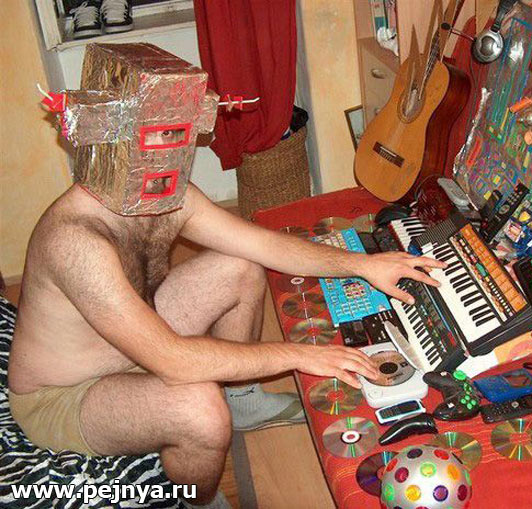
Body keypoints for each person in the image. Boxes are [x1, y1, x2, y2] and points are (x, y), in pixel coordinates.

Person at [9, 43, 445, 509]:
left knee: (240, 265)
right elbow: (174, 361)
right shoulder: (76, 240)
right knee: (200, 410)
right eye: (159, 135)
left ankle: (245, 401)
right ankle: (197, 502)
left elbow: (264, 245)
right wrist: (303, 355)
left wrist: (364, 265)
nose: (173, 151)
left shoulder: (165, 192)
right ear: (111, 137)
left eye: (178, 133)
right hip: (65, 394)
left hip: (134, 338)